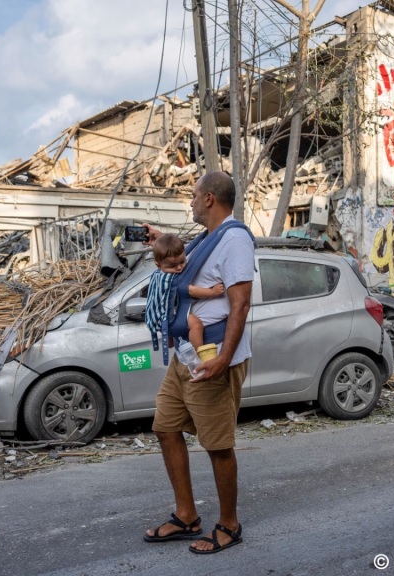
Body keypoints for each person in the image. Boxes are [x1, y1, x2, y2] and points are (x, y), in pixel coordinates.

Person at [141, 171, 254, 555]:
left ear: (209, 199)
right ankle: (187, 515)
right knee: (165, 427)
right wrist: (161, 242)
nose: (189, 202)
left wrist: (224, 358)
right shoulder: (206, 240)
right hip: (184, 357)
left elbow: (240, 303)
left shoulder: (235, 239)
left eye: (192, 196)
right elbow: (181, 267)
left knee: (217, 444)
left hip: (212, 358)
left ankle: (229, 524)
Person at [143, 233, 225, 357]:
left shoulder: (157, 275)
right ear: (158, 265)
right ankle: (200, 351)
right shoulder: (172, 279)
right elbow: (191, 290)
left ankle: (170, 339)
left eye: (182, 261)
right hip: (170, 321)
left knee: (168, 307)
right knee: (196, 324)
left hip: (158, 320)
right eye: (172, 266)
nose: (179, 267)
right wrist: (212, 292)